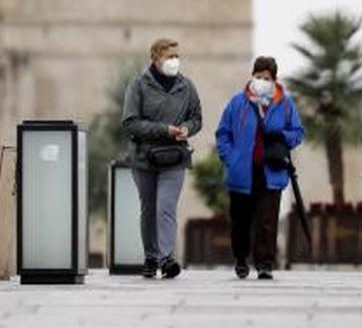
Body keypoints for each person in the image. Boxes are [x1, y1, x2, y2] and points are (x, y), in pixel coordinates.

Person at [215, 55, 304, 280]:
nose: (262, 80)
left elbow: (297, 132)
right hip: (241, 171)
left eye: (266, 77)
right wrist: (230, 158)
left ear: (274, 80)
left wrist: (281, 135)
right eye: (258, 76)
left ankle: (265, 263)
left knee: (267, 220)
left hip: (271, 170)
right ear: (252, 76)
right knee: (240, 220)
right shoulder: (237, 102)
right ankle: (241, 259)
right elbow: (223, 133)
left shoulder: (285, 103)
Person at [122, 37, 203, 279]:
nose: (175, 61)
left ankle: (167, 258)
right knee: (149, 209)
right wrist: (164, 129)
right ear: (156, 59)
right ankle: (151, 257)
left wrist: (188, 128)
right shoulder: (138, 85)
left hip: (175, 157)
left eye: (177, 56)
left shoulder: (187, 87)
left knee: (165, 207)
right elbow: (130, 122)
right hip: (144, 157)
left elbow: (197, 117)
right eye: (169, 56)